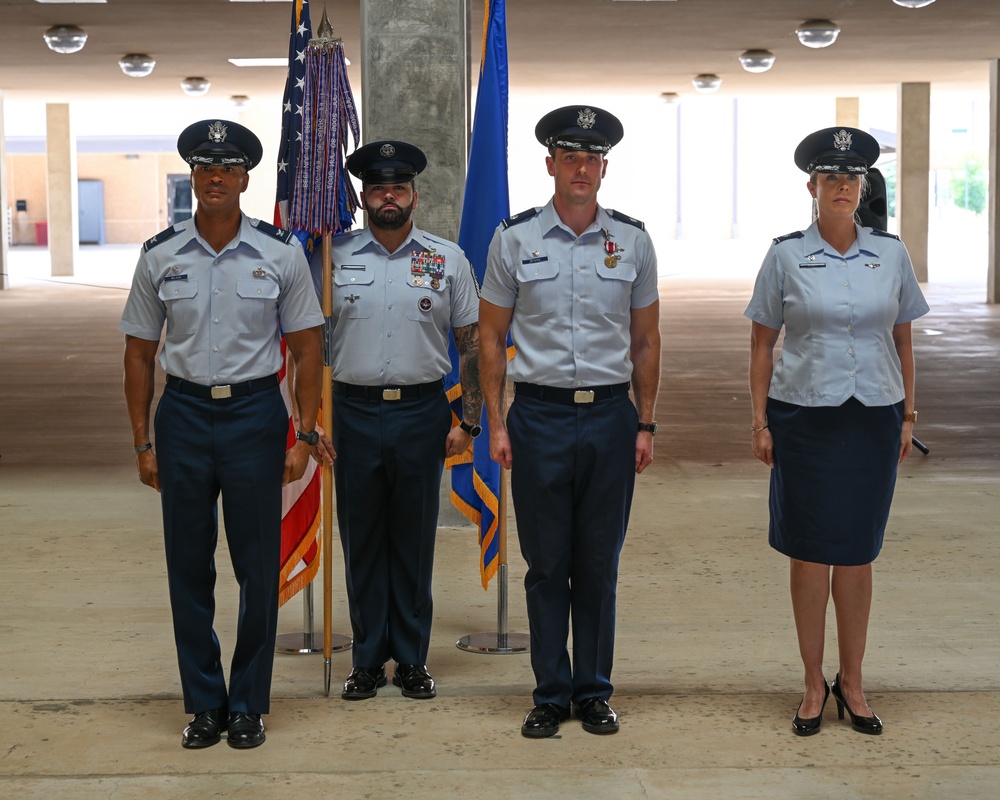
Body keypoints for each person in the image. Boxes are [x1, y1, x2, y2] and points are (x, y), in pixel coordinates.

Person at [119, 119, 324, 750]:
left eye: (228, 168)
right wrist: (142, 442)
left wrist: (304, 435)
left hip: (256, 416)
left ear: (244, 179)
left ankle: (249, 704)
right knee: (188, 565)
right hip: (181, 417)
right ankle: (204, 702)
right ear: (192, 175)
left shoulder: (280, 252)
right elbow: (138, 355)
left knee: (257, 567)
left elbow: (309, 350)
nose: (215, 177)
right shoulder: (160, 254)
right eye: (205, 167)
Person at [479, 106, 661, 738]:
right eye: (569, 157)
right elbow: (490, 335)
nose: (581, 168)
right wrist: (496, 425)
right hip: (540, 418)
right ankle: (551, 692)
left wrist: (647, 422)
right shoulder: (514, 239)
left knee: (599, 564)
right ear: (550, 164)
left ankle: (595, 691)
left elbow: (645, 342)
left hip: (612, 417)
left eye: (592, 159)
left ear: (604, 169)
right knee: (547, 563)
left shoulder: (633, 241)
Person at [744, 126, 929, 737]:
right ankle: (811, 682)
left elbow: (901, 336)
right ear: (813, 187)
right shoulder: (785, 256)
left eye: (853, 178)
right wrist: (760, 420)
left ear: (863, 187)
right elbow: (763, 342)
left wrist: (907, 414)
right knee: (808, 551)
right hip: (803, 417)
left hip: (873, 415)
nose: (844, 187)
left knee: (857, 551)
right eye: (832, 178)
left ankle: (853, 682)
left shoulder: (891, 254)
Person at [316, 140, 482, 701]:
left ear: (415, 195)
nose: (389, 196)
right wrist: (315, 419)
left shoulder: (447, 258)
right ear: (364, 196)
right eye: (379, 188)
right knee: (361, 540)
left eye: (400, 188)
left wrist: (471, 421)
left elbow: (473, 345)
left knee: (412, 542)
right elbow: (309, 343)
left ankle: (411, 660)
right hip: (353, 415)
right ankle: (366, 662)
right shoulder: (333, 256)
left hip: (421, 414)